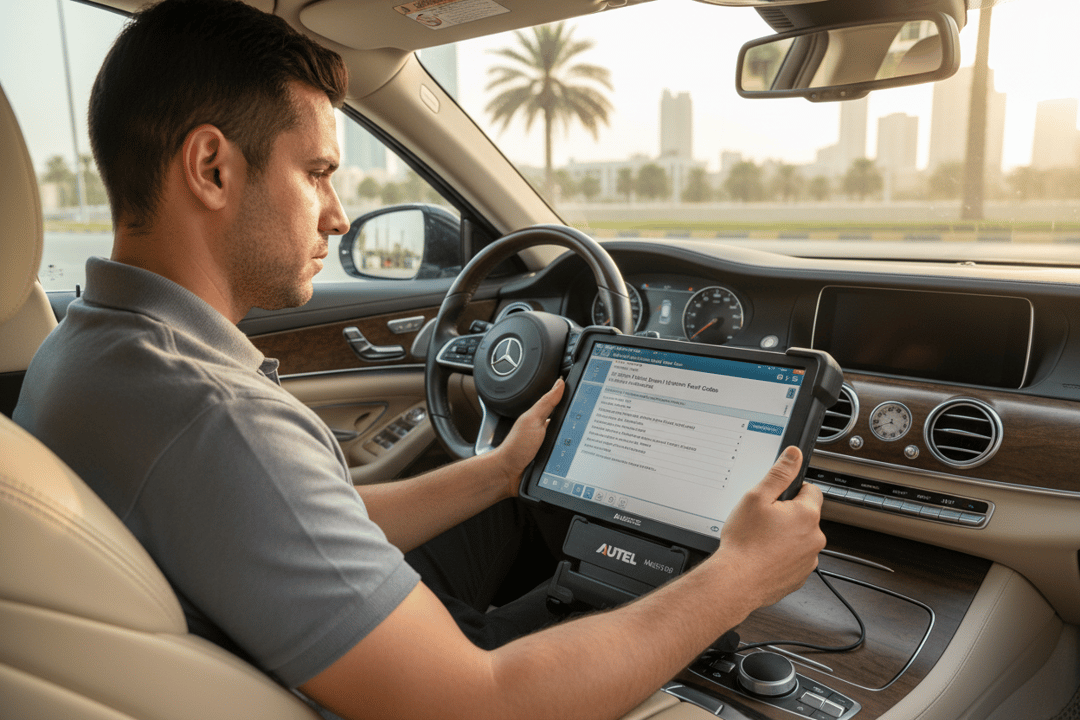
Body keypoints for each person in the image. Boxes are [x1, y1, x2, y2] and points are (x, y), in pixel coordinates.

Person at [14, 1, 826, 719]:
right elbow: (481, 703)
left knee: (518, 513)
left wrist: (500, 471)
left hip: (278, 652)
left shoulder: (86, 352)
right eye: (319, 173)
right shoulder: (210, 415)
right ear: (212, 168)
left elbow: (300, 519)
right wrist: (738, 579)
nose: (337, 217)